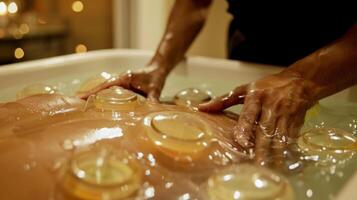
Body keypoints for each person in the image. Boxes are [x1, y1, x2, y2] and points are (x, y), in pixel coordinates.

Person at [78, 0, 357, 163]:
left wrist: (302, 81)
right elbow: (195, 3)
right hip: (250, 46)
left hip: (337, 61)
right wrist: (159, 66)